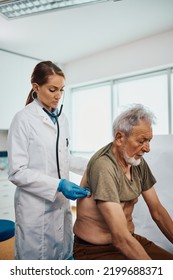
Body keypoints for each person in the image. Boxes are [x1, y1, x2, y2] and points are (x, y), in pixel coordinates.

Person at [7, 60, 90, 260]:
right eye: (53, 89)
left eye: (61, 90)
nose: (58, 96)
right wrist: (59, 184)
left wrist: (96, 164)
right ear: (36, 87)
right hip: (34, 207)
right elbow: (17, 171)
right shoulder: (23, 119)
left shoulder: (62, 119)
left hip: (59, 206)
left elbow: (63, 158)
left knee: (62, 256)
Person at [73, 104, 173, 260]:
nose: (147, 148)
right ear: (120, 138)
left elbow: (158, 212)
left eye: (149, 141)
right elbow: (119, 238)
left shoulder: (136, 163)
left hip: (129, 239)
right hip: (96, 250)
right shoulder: (104, 166)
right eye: (141, 141)